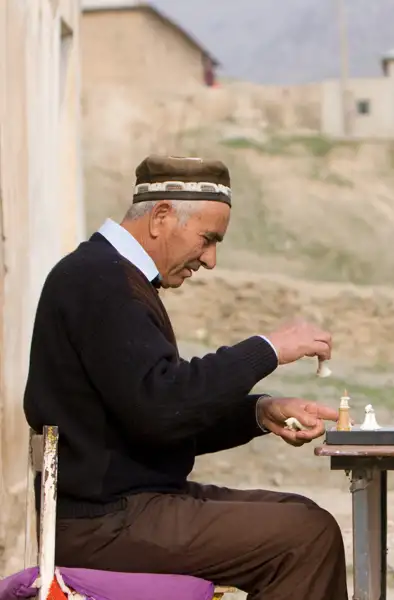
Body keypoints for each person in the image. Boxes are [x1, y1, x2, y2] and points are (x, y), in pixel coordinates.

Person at [23, 155, 349, 600]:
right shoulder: (99, 281)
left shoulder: (109, 276)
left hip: (128, 507)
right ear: (161, 217)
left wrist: (258, 413)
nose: (211, 260)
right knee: (304, 538)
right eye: (207, 239)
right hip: (103, 522)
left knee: (304, 517)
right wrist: (267, 349)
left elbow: (158, 409)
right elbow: (162, 407)